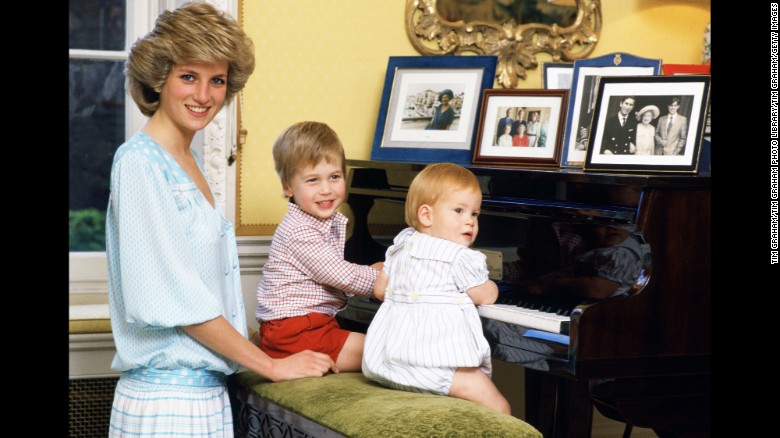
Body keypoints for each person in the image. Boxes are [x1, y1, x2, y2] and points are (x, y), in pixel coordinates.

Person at [105, 4, 336, 436]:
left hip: (205, 397)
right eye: (188, 76)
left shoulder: (187, 160)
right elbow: (178, 301)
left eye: (217, 80)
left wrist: (274, 346)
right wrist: (271, 365)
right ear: (159, 78)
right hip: (167, 405)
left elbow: (205, 290)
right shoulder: (139, 162)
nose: (204, 95)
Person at [362, 162, 511, 415]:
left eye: (475, 213)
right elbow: (484, 296)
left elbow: (379, 290)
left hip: (388, 363)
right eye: (459, 210)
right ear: (426, 215)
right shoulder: (460, 257)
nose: (469, 221)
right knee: (499, 407)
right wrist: (493, 287)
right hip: (436, 367)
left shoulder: (401, 245)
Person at [256, 121, 383, 373]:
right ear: (288, 187)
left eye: (334, 177)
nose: (326, 190)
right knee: (387, 351)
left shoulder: (318, 222)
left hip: (309, 325)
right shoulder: (299, 231)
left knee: (384, 347)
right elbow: (341, 276)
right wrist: (381, 279)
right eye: (313, 180)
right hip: (295, 331)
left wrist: (373, 273)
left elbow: (336, 273)